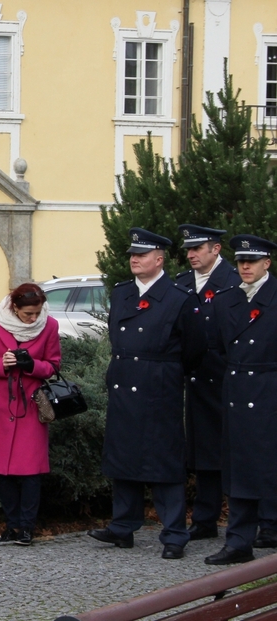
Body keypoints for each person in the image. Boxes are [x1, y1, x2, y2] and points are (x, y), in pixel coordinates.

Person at [89, 228, 206, 560]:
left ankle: (174, 534)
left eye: (141, 255)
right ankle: (123, 527)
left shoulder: (179, 298)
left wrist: (165, 372)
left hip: (159, 386)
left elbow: (195, 349)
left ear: (160, 259)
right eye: (132, 255)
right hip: (125, 383)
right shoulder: (123, 293)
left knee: (164, 462)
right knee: (124, 456)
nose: (134, 259)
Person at [205, 234, 277, 564]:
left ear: (267, 263)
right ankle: (238, 541)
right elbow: (217, 347)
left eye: (252, 261)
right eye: (241, 262)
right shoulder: (225, 300)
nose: (245, 267)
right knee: (240, 468)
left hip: (270, 390)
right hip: (237, 391)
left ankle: (270, 527)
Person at [0, 283, 60, 546]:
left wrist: (32, 365)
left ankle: (26, 528)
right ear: (14, 308)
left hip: (32, 406)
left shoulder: (50, 325)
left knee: (30, 470)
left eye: (37, 313)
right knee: (4, 470)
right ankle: (11, 526)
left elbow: (54, 365)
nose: (34, 318)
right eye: (28, 314)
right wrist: (2, 364)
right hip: (1, 405)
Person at [174, 224, 239, 541]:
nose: (190, 254)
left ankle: (255, 519)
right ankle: (205, 518)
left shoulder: (234, 281)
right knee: (203, 453)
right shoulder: (184, 283)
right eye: (188, 249)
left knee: (238, 450)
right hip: (197, 377)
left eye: (197, 248)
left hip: (228, 377)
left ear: (216, 249)